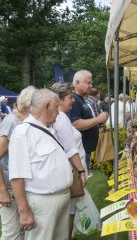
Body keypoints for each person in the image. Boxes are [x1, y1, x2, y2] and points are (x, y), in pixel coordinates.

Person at [9, 89, 73, 240]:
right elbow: (16, 177)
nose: (58, 112)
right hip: (43, 205)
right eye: (57, 107)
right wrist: (24, 211)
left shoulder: (46, 130)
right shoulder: (23, 133)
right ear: (47, 106)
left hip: (60, 200)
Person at [51, 83, 87, 239]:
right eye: (70, 98)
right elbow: (71, 149)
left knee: (68, 211)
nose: (72, 101)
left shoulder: (57, 117)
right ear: (59, 100)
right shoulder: (62, 118)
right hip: (71, 171)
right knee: (69, 212)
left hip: (67, 171)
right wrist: (81, 171)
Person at [0, 86, 36, 240]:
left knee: (23, 232)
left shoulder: (26, 122)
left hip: (22, 188)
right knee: (12, 234)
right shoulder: (11, 122)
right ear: (30, 105)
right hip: (9, 189)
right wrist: (2, 190)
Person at [69, 70, 109, 173]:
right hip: (80, 150)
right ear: (77, 83)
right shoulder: (74, 100)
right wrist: (98, 119)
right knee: (81, 180)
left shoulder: (81, 99)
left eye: (91, 83)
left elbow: (86, 120)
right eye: (88, 82)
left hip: (85, 150)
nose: (91, 85)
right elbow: (76, 124)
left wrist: (98, 121)